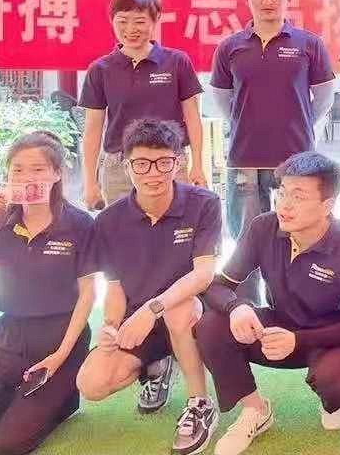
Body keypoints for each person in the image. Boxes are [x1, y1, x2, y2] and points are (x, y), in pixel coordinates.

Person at [196, 151, 340, 455]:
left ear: (327, 205)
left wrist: (299, 340)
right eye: (283, 192)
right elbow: (218, 286)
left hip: (330, 339)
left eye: (298, 196)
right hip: (277, 328)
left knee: (336, 380)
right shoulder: (263, 227)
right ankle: (256, 410)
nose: (284, 205)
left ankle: (337, 401)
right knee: (211, 325)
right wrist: (238, 308)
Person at [76, 118, 221, 455]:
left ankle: (200, 403)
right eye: (141, 163)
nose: (153, 173)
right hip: (140, 320)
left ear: (178, 162)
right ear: (126, 166)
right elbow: (114, 288)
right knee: (91, 383)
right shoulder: (108, 221)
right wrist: (111, 327)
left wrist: (151, 309)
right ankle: (157, 366)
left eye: (163, 162)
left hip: (191, 314)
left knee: (178, 311)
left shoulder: (204, 204)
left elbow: (203, 275)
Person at [211, 0, 336, 301]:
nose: (267, 0)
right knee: (247, 238)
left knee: (299, 235)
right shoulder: (230, 47)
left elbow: (324, 97)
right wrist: (246, 121)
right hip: (244, 159)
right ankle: (247, 308)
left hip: (296, 161)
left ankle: (294, 306)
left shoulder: (309, 44)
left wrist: (300, 121)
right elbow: (223, 99)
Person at [0, 132, 96, 455]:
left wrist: (60, 355)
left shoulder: (79, 224)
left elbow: (88, 294)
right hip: (10, 333)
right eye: (17, 169)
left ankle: (63, 399)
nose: (27, 177)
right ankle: (17, 392)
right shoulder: (2, 220)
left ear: (57, 173)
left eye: (38, 169)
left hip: (61, 336)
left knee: (8, 445)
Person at [81, 0, 205, 208]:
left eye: (139, 22)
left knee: (173, 225)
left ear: (155, 20)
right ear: (112, 21)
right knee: (122, 228)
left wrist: (197, 165)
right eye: (122, 21)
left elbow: (193, 117)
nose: (131, 29)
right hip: (120, 167)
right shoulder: (100, 69)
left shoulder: (177, 62)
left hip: (169, 163)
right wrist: (90, 182)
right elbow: (92, 130)